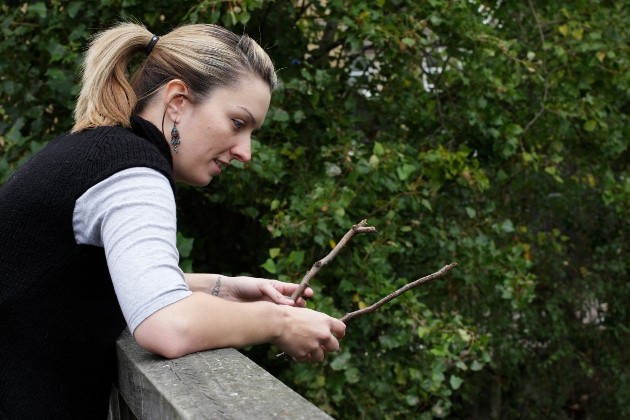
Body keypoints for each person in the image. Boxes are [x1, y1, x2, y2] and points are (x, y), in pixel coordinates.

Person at [0, 22, 346, 419]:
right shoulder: (132, 171)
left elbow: (83, 280)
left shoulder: (99, 151)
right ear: (178, 100)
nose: (245, 152)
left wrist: (220, 289)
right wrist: (279, 320)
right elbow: (165, 325)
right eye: (238, 122)